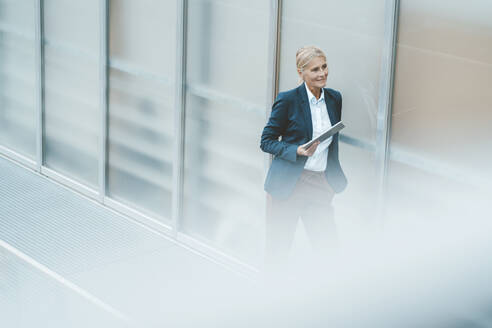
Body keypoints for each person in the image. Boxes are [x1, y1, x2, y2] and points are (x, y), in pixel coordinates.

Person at [260, 46, 347, 271]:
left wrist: (329, 182)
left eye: (324, 66)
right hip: (289, 185)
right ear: (301, 73)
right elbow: (267, 141)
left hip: (319, 184)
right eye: (315, 70)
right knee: (278, 251)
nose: (322, 73)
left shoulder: (334, 99)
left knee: (329, 249)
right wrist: (296, 151)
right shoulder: (288, 100)